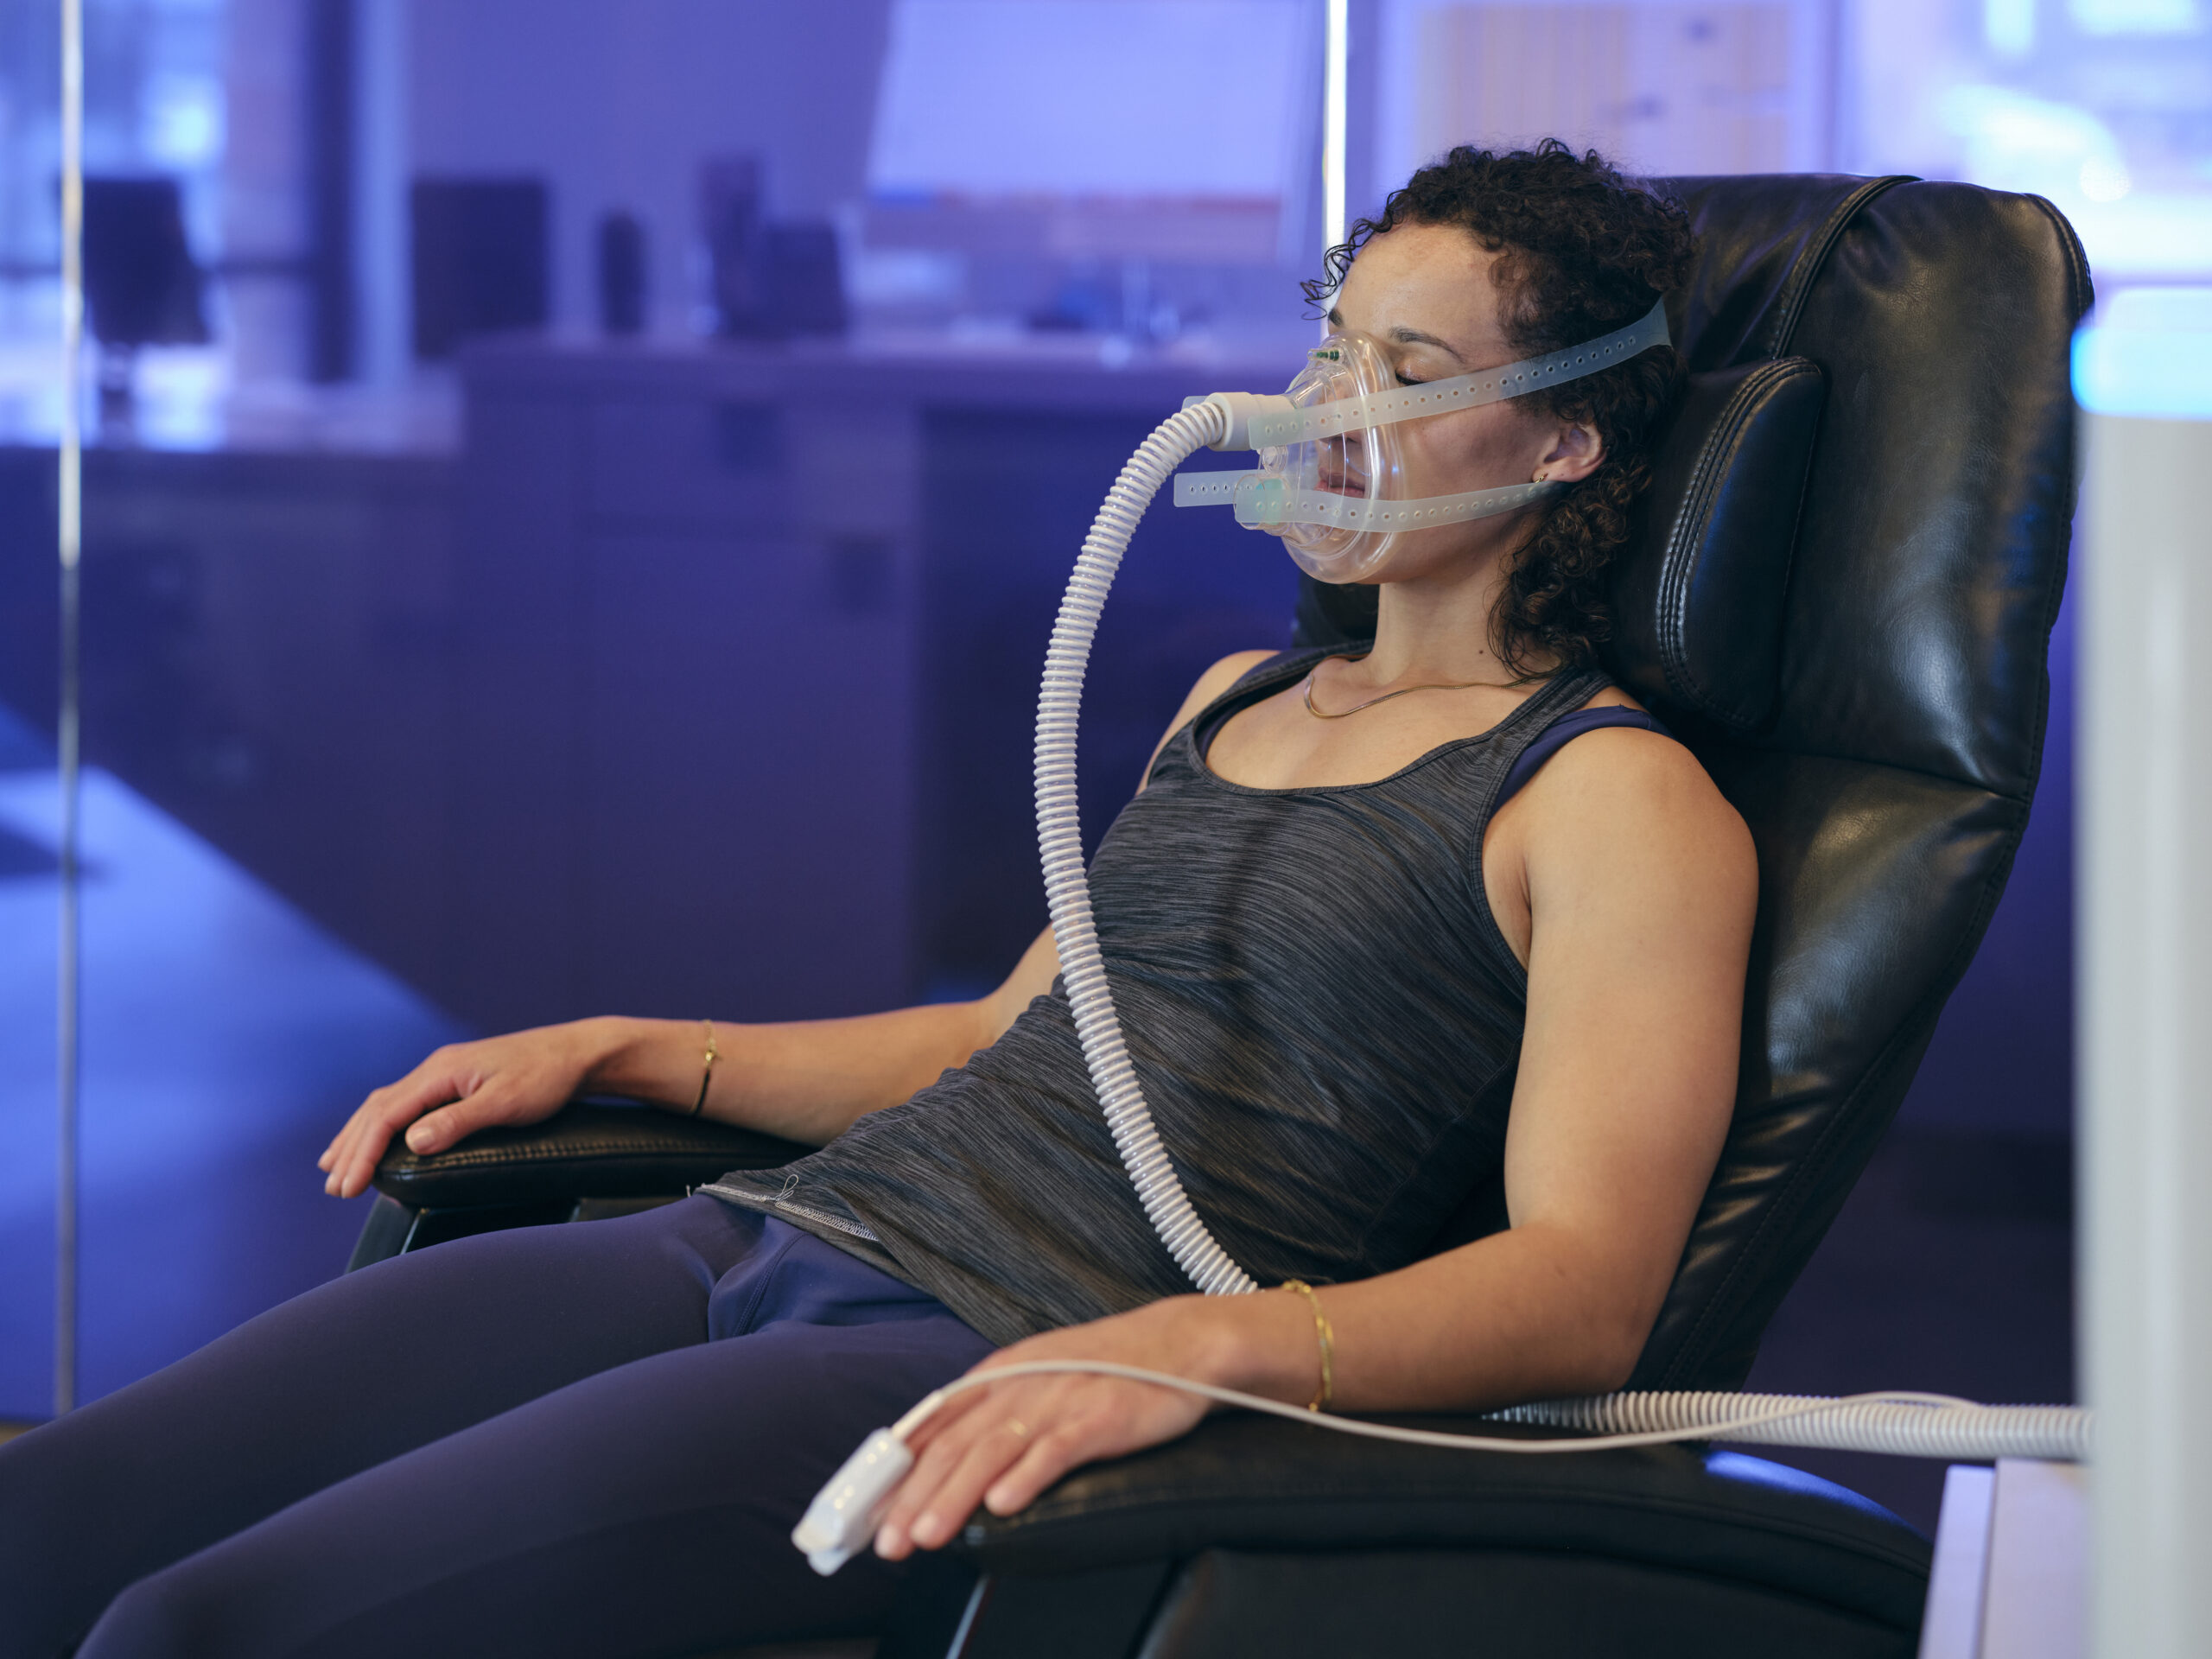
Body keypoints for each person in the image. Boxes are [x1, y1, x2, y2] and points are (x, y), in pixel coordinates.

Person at [0, 142, 1755, 1658]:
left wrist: (1181, 1354)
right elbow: (996, 1041)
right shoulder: (1230, 693)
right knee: (50, 1523)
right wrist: (626, 1049)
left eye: (1405, 366)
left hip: (985, 1344)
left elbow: (1582, 1288)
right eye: (1327, 345)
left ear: (1556, 450)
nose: (1323, 412)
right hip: (765, 1235)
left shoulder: (1608, 799)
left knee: (186, 1633)